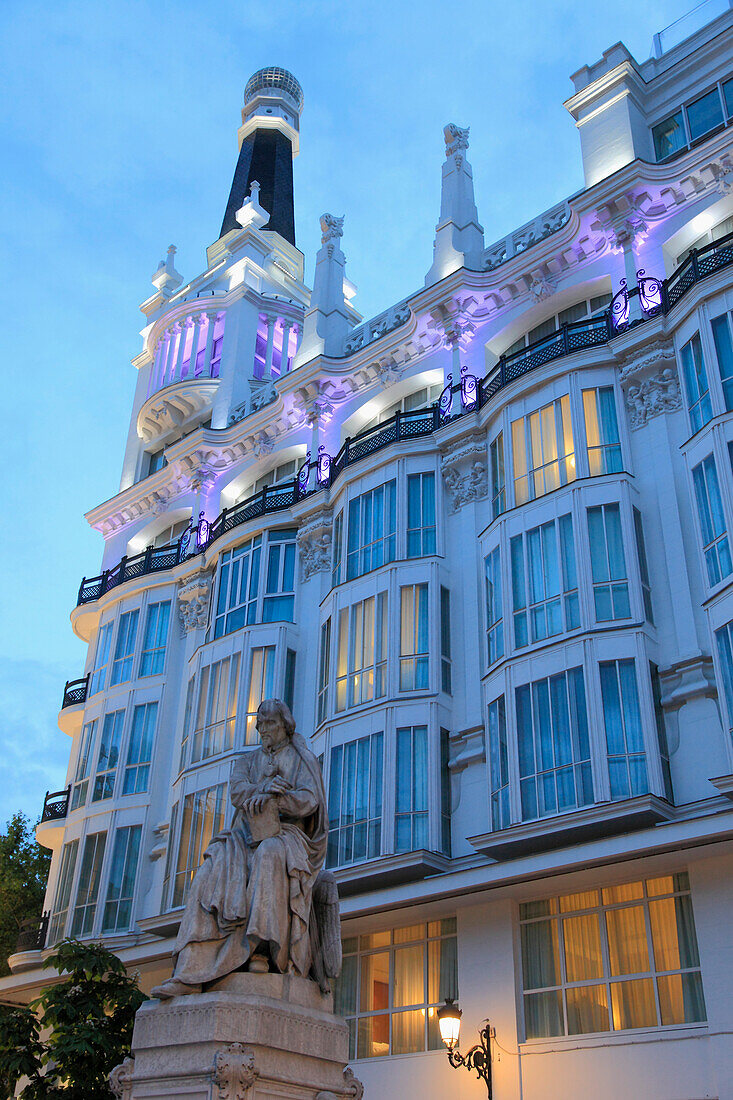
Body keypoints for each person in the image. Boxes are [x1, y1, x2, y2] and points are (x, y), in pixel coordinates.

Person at [151, 698, 328, 999]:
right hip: (245, 832)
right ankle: (191, 967)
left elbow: (311, 799)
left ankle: (261, 950)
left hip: (288, 833)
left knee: (269, 855)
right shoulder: (247, 761)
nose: (263, 729)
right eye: (260, 724)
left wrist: (278, 801)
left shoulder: (301, 759)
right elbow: (237, 789)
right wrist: (262, 790)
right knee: (211, 865)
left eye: (269, 723)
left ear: (285, 725)